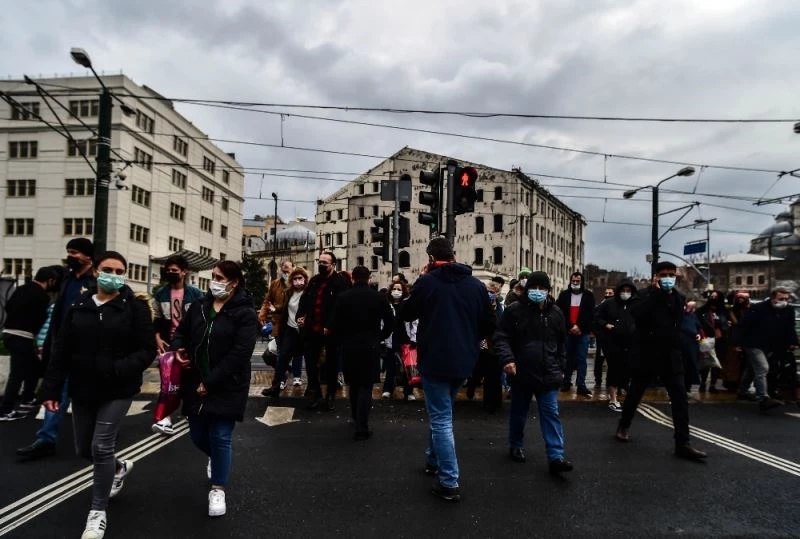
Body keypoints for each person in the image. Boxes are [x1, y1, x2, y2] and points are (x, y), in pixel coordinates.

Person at [40, 251, 156, 539]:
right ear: (96, 272)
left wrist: (119, 368)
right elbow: (61, 350)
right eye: (108, 269)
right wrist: (51, 388)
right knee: (85, 450)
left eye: (119, 271)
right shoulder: (79, 305)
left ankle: (97, 512)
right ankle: (119, 468)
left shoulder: (135, 307)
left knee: (101, 446)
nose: (114, 275)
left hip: (118, 387)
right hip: (83, 387)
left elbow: (146, 350)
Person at [401, 237, 495, 502]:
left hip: (435, 359)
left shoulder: (428, 282)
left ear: (431, 258)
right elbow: (489, 323)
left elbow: (407, 313)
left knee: (441, 418)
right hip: (465, 360)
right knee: (443, 411)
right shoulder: (475, 285)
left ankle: (449, 481)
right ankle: (433, 460)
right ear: (453, 256)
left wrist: (419, 282)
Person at [172, 260, 258, 518]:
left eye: (220, 277)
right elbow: (181, 333)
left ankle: (218, 487)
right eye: (214, 276)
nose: (215, 282)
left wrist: (210, 382)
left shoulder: (245, 313)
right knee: (198, 435)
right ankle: (220, 460)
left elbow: (241, 352)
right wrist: (179, 348)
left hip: (227, 384)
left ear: (235, 282)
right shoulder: (200, 306)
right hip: (194, 380)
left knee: (220, 436)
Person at [615, 261, 707, 461]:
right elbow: (637, 314)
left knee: (680, 398)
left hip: (670, 354)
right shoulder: (644, 295)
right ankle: (624, 424)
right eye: (663, 274)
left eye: (671, 275)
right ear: (655, 277)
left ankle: (683, 443)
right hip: (647, 353)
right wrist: (657, 295)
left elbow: (677, 324)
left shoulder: (678, 298)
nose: (667, 278)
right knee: (636, 392)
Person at [17, 238, 96, 459]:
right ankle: (46, 439)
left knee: (91, 398)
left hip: (87, 352)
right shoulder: (66, 280)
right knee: (56, 394)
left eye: (75, 252)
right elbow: (57, 316)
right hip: (63, 349)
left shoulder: (95, 281)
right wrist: (48, 344)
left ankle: (101, 436)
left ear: (88, 256)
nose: (71, 256)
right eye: (69, 251)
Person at [494, 271, 573, 474]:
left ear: (548, 290)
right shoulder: (514, 311)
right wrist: (508, 359)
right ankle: (516, 444)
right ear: (527, 289)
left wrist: (562, 368)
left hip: (548, 372)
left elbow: (562, 344)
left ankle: (556, 456)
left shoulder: (556, 313)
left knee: (550, 413)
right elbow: (501, 337)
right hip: (521, 372)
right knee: (519, 412)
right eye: (534, 288)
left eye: (542, 288)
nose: (538, 292)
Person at [331, 266, 394, 439]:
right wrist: (381, 336)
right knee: (366, 385)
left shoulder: (343, 297)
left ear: (353, 278)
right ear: (368, 278)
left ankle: (354, 415)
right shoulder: (378, 298)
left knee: (353, 383)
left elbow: (334, 323)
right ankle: (362, 426)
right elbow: (389, 321)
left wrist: (341, 339)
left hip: (349, 345)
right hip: (370, 345)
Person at [150, 255, 204, 435]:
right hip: (168, 344)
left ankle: (191, 411)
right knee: (168, 382)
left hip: (189, 344)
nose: (171, 273)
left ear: (184, 272)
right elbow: (157, 319)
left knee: (189, 380)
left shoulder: (196, 295)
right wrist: (157, 337)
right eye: (169, 270)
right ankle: (166, 418)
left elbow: (200, 320)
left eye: (175, 270)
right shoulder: (161, 294)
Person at [0, 267, 60, 421]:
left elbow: (7, 306)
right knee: (17, 374)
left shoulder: (21, 289)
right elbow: (42, 319)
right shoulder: (42, 296)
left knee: (33, 367)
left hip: (8, 333)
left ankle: (28, 399)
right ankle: (5, 410)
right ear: (50, 280)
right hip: (23, 336)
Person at [296, 251, 350, 411]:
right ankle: (316, 394)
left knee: (331, 365)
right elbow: (304, 301)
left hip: (331, 331)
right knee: (311, 364)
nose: (321, 265)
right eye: (320, 261)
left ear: (333, 265)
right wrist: (301, 316)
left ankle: (330, 396)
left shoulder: (340, 282)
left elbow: (341, 307)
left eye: (325, 263)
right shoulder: (314, 281)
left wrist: (331, 325)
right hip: (312, 329)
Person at [739, 287, 799, 411]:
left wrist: (792, 342)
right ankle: (763, 398)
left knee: (752, 367)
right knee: (762, 367)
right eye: (781, 298)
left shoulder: (788, 310)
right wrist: (739, 342)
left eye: (786, 299)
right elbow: (745, 325)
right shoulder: (758, 309)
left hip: (770, 344)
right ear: (773, 298)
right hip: (754, 343)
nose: (784, 301)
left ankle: (742, 390)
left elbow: (790, 327)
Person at [263, 267, 309, 402]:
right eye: (295, 279)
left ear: (305, 279)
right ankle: (275, 387)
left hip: (305, 331)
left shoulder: (309, 293)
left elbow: (313, 308)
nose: (297, 281)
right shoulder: (289, 292)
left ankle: (313, 389)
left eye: (300, 278)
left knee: (310, 360)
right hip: (290, 329)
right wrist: (275, 309)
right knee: (282, 358)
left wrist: (307, 319)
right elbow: (284, 308)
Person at [594, 281, 638, 412]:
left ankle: (624, 390)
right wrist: (605, 325)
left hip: (630, 342)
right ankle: (613, 398)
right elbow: (597, 317)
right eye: (623, 290)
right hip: (613, 342)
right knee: (613, 369)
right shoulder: (609, 304)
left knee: (628, 368)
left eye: (628, 290)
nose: (625, 293)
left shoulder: (636, 304)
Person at [556, 272, 596, 397]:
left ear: (582, 281)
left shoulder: (588, 296)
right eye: (573, 280)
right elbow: (560, 313)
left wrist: (579, 326)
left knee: (581, 359)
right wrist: (570, 327)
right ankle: (566, 382)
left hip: (582, 333)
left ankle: (581, 385)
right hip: (568, 332)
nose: (575, 283)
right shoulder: (564, 295)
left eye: (578, 281)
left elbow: (590, 315)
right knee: (567, 358)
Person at [258, 260, 294, 386]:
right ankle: (281, 378)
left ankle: (294, 375)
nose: (285, 272)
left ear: (293, 269)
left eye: (287, 270)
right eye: (283, 270)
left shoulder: (296, 284)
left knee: (291, 353)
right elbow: (267, 301)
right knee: (280, 352)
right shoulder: (275, 284)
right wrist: (262, 314)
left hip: (293, 325)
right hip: (279, 324)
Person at [381, 281, 418, 401]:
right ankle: (387, 389)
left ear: (403, 291)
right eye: (394, 289)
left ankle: (409, 392)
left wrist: (413, 338)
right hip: (391, 339)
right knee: (390, 366)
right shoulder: (387, 305)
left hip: (405, 339)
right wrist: (382, 338)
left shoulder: (407, 305)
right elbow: (382, 322)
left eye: (399, 289)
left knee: (408, 366)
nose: (396, 291)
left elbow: (414, 322)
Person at [593, 288, 615, 391]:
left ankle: (610, 382)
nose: (608, 295)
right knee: (599, 361)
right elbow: (595, 320)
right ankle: (598, 381)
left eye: (610, 293)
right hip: (602, 338)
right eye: (606, 293)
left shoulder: (617, 307)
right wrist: (598, 333)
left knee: (612, 362)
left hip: (613, 338)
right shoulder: (599, 307)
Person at [679, 301, 703, 393]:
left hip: (691, 344)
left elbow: (698, 327)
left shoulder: (692, 316)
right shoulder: (678, 316)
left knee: (691, 365)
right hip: (681, 344)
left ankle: (688, 385)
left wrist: (698, 334)